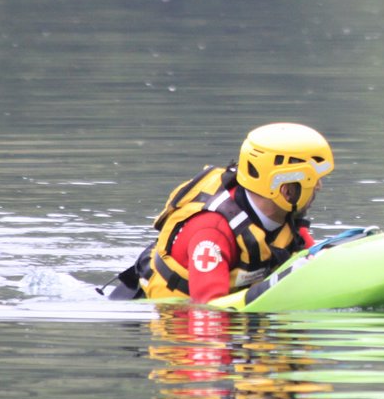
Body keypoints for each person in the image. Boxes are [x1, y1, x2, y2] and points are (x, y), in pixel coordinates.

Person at [102, 122, 335, 302]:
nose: (318, 187)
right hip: (174, 325)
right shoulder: (211, 231)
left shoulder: (283, 214)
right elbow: (208, 310)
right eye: (312, 180)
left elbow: (308, 255)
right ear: (284, 188)